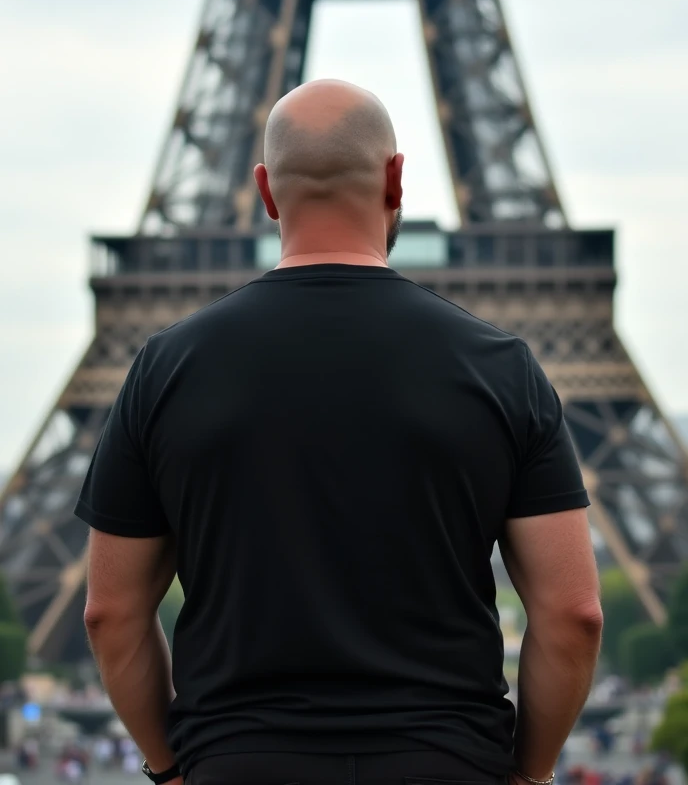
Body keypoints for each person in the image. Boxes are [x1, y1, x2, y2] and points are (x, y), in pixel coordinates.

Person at [75, 80, 603, 785]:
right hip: (446, 764)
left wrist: (171, 769)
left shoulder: (165, 371)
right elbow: (574, 615)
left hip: (240, 765)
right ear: (395, 178)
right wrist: (528, 774)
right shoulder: (501, 368)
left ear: (265, 191)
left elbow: (110, 613)